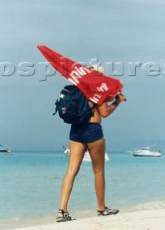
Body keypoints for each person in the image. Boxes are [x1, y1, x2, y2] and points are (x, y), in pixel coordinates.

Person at [56, 65, 126, 222]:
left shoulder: (78, 88)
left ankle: (62, 211)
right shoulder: (98, 89)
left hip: (76, 131)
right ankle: (101, 209)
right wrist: (117, 101)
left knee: (71, 171)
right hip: (93, 130)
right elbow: (104, 113)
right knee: (98, 171)